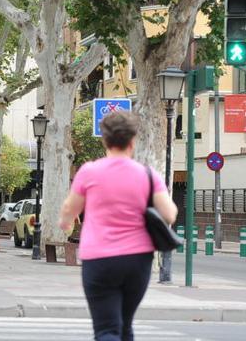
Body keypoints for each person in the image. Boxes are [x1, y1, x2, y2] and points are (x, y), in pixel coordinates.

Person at [59, 111, 177, 341]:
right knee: (125, 327)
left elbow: (69, 211)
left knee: (107, 330)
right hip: (137, 260)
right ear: (132, 141)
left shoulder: (89, 172)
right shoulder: (148, 175)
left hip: (99, 259)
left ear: (104, 139)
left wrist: (65, 223)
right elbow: (170, 214)